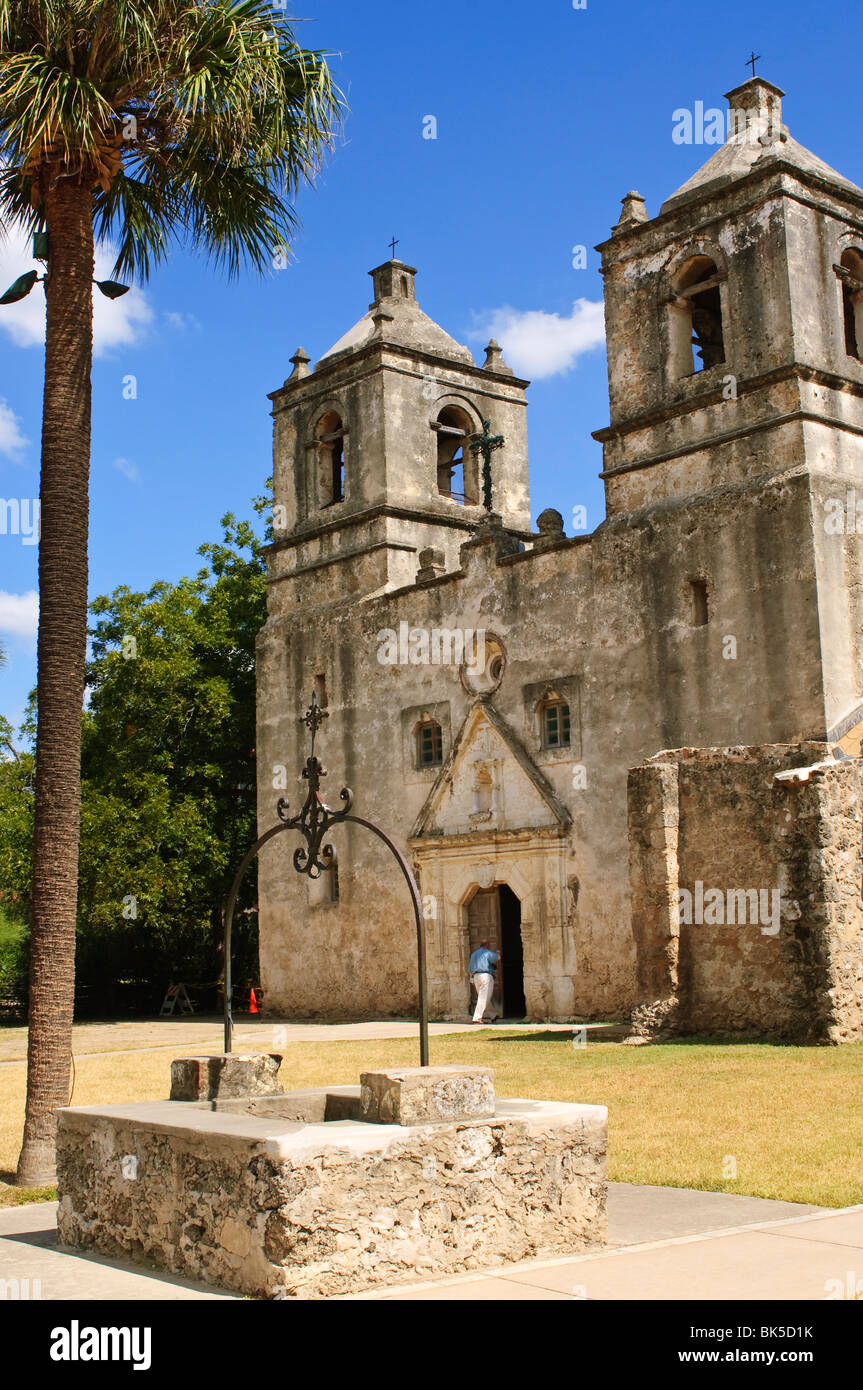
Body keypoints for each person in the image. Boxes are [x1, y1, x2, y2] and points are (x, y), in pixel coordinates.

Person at [468, 939, 500, 1023]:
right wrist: (498, 953)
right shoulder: (487, 953)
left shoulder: (473, 954)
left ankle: (493, 1015)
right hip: (485, 976)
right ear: (487, 946)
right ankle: (477, 1018)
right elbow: (498, 958)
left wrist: (471, 980)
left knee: (484, 996)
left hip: (476, 977)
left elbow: (470, 969)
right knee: (484, 997)